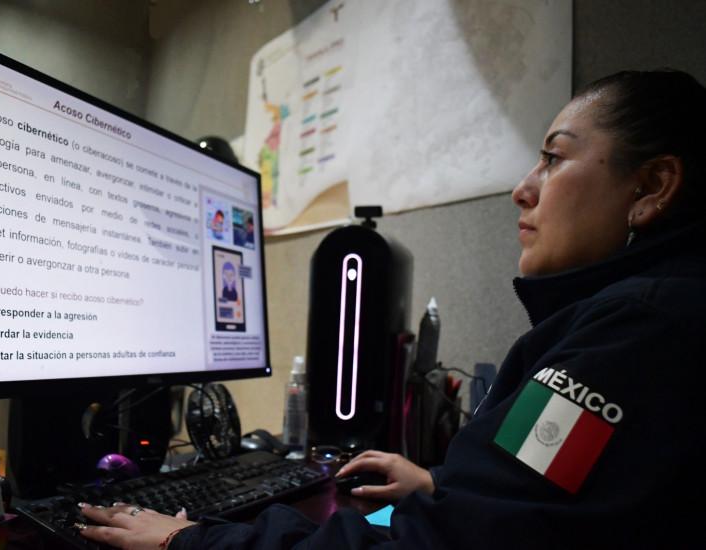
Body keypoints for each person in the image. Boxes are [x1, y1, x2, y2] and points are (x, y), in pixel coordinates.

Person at [77, 69, 706, 549]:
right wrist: (441, 486)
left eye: (553, 157)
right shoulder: (647, 315)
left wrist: (189, 540)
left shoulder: (638, 331)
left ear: (652, 186)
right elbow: (551, 506)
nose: (523, 188)